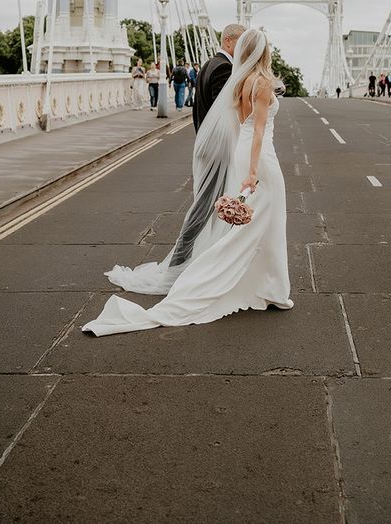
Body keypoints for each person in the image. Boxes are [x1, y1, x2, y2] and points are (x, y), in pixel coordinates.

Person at [82, 29, 293, 335]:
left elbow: (239, 125)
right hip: (260, 158)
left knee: (255, 224)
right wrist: (252, 171)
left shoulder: (240, 81)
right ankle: (256, 286)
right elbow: (259, 131)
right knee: (260, 225)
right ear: (263, 51)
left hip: (241, 150)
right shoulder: (260, 84)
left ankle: (266, 286)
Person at [193, 23, 245, 132]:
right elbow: (224, 112)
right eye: (242, 42)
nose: (244, 47)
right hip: (217, 139)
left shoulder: (207, 65)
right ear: (228, 41)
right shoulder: (224, 67)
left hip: (204, 134)